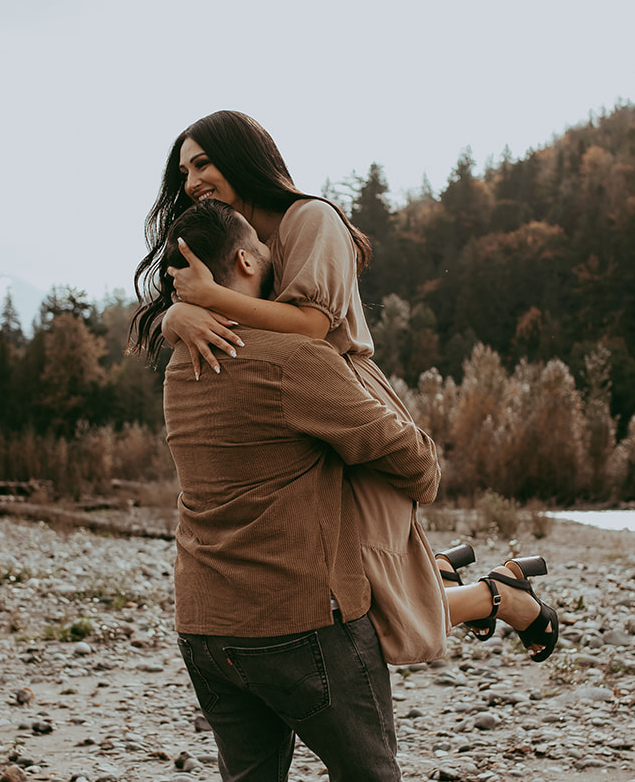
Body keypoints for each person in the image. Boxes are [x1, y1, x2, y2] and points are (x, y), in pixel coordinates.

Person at [158, 197, 445, 782]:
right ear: (243, 263)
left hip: (206, 624)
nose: (276, 257)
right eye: (262, 248)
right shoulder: (291, 360)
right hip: (303, 621)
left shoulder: (183, 362)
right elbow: (416, 464)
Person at [131, 110, 557, 661]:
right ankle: (454, 579)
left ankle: (495, 596)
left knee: (364, 615)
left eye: (204, 163)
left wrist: (206, 300)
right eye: (184, 171)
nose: (191, 183)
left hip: (338, 402)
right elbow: (227, 329)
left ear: (244, 158)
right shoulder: (237, 240)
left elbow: (311, 327)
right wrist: (173, 317)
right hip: (281, 422)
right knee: (333, 591)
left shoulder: (310, 219)